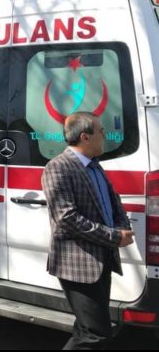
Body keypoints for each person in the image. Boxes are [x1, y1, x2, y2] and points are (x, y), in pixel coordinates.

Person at [42, 112, 133, 349]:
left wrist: (123, 226)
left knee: (86, 330)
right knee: (96, 335)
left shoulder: (95, 165)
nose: (105, 136)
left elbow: (114, 202)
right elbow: (66, 218)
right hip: (78, 265)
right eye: (101, 132)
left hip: (102, 260)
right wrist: (114, 236)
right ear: (85, 137)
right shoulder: (58, 167)